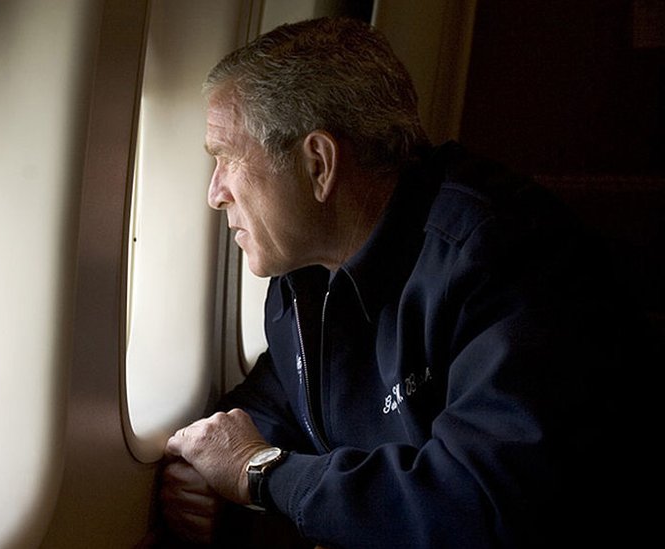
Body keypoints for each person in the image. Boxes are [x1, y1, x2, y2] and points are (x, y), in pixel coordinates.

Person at [158, 16, 655, 549]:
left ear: (319, 164)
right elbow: (283, 395)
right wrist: (210, 461)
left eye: (227, 158)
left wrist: (259, 473)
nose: (215, 193)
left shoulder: (502, 259)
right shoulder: (307, 274)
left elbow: (478, 504)